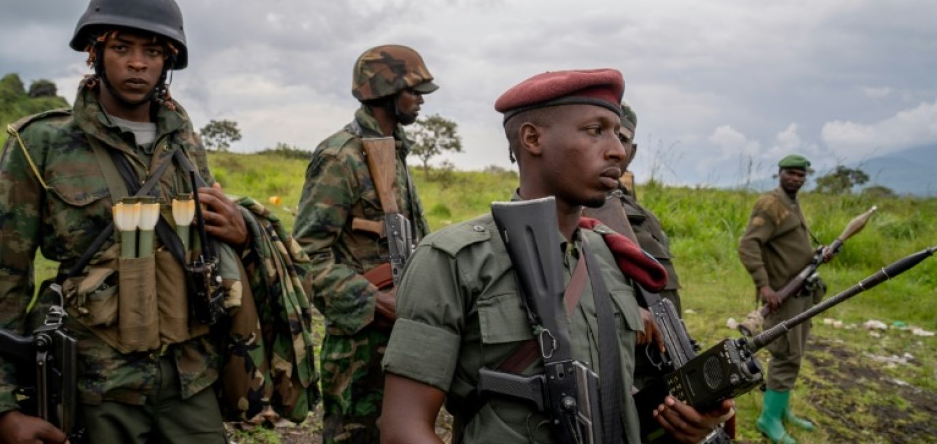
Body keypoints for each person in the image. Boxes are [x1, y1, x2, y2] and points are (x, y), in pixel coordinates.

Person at [380, 68, 732, 444]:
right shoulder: (455, 259)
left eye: (617, 132)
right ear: (532, 138)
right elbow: (403, 428)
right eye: (595, 130)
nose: (617, 149)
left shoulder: (613, 256)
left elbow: (621, 406)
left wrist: (685, 427)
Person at [0, 0, 250, 443]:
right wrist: (0, 407)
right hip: (94, 386)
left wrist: (240, 230)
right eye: (122, 48)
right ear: (94, 53)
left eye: (153, 51)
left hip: (189, 377)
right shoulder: (41, 143)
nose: (138, 62)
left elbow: (207, 241)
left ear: (168, 61)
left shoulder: (184, 143)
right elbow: (3, 276)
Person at [292, 45, 436, 444]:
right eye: (415, 91)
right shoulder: (341, 156)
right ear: (385, 91)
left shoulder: (395, 150)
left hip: (401, 332)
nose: (421, 100)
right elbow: (306, 255)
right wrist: (374, 302)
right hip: (359, 346)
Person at [738, 154, 823, 444]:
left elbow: (788, 246)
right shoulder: (771, 203)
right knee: (785, 355)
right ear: (780, 173)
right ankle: (768, 420)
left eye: (801, 175)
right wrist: (764, 287)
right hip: (781, 296)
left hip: (800, 292)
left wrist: (816, 256)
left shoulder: (792, 201)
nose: (796, 179)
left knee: (795, 353)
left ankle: (782, 409)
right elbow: (748, 245)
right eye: (791, 173)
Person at [615, 102, 683, 316]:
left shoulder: (647, 219)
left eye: (621, 139)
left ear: (632, 153)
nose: (613, 148)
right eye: (597, 132)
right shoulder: (566, 213)